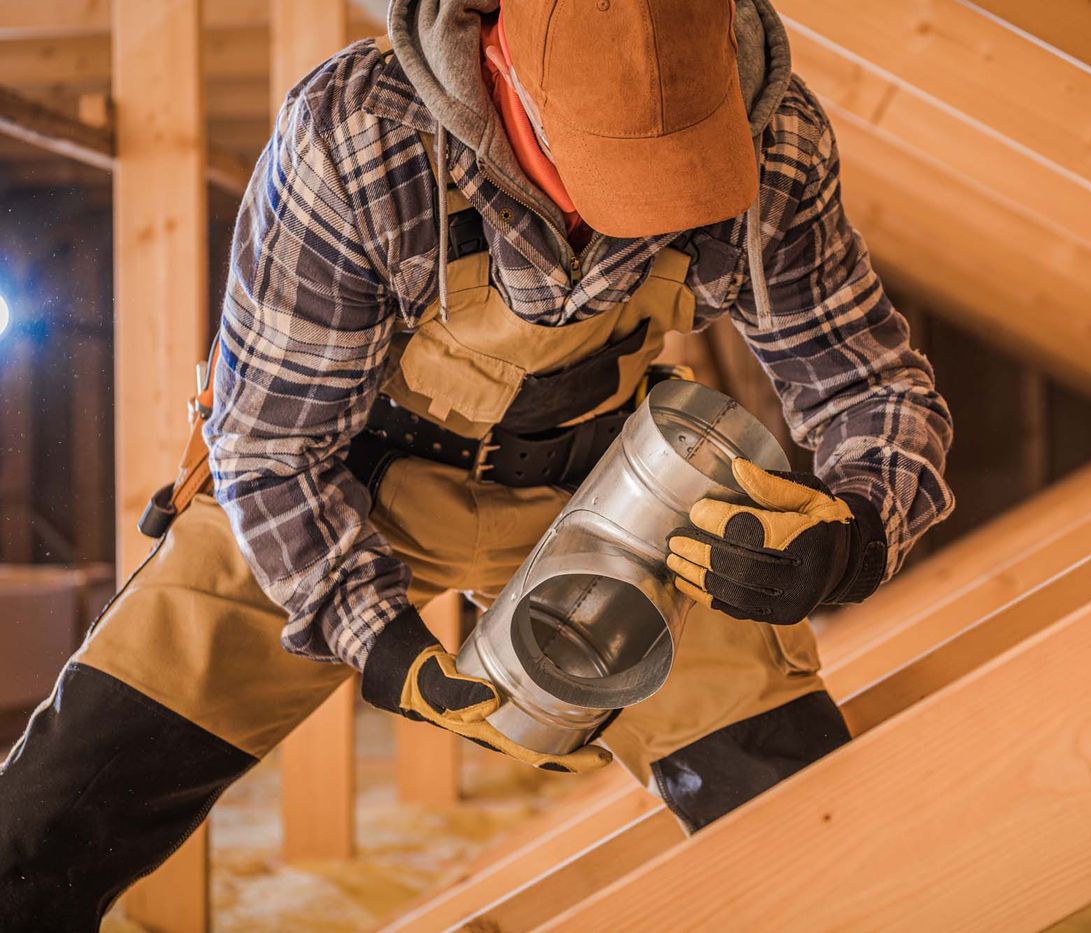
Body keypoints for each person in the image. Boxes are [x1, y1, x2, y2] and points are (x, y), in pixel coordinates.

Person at [0, 0, 954, 925]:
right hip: (334, 480)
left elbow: (873, 389)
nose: (628, 222)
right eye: (610, 174)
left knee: (805, 817)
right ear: (499, 69)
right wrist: (374, 635)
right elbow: (272, 447)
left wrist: (855, 534)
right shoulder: (359, 138)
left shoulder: (774, 141)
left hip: (605, 485)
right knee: (42, 830)